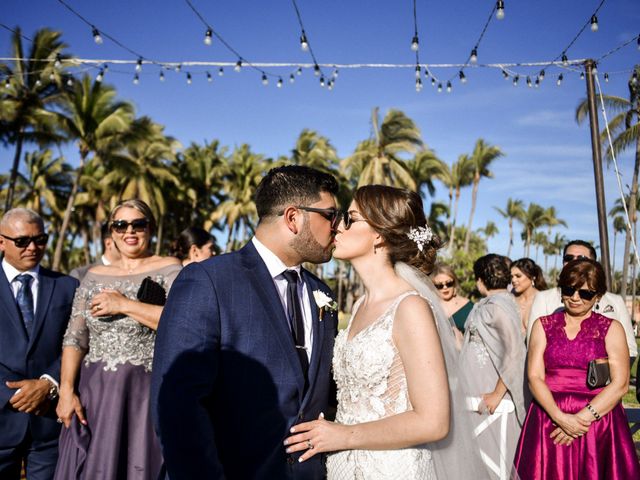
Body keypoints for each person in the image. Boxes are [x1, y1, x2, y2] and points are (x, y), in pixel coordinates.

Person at [284, 185, 488, 479]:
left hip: (392, 467)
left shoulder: (410, 308)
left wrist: (343, 436)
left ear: (378, 234)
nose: (337, 226)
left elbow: (434, 421)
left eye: (350, 219)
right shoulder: (359, 305)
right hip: (343, 465)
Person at [151, 165, 340, 479]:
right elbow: (177, 408)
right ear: (294, 218)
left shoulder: (322, 293)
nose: (338, 227)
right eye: (331, 215)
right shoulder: (208, 281)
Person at [54, 199, 182, 480]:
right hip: (95, 393)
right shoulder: (93, 276)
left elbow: (182, 324)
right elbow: (75, 338)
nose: (130, 231)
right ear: (111, 232)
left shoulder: (170, 269)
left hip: (144, 394)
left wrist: (123, 305)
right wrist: (66, 391)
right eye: (121, 225)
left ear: (151, 228)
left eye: (138, 224)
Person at [514, 259, 640, 479]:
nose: (574, 298)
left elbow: (620, 385)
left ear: (598, 296)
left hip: (597, 424)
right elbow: (534, 377)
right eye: (569, 290)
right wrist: (561, 419)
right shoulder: (542, 325)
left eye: (585, 294)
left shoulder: (612, 328)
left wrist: (580, 420)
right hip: (548, 421)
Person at [0, 208, 79, 480]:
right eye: (22, 241)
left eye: (40, 239)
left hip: (49, 425)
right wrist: (11, 395)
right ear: (2, 242)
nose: (32, 247)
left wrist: (48, 383)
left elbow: (79, 343)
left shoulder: (68, 287)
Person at [458, 254, 527, 479]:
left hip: (491, 391)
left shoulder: (498, 306)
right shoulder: (489, 304)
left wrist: (497, 393)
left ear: (480, 280)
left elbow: (514, 350)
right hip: (474, 389)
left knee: (494, 460)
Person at [527, 240, 637, 366]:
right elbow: (533, 347)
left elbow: (631, 350)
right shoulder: (544, 298)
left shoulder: (615, 301)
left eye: (581, 258)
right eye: (568, 258)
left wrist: (604, 373)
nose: (574, 261)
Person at [431, 264, 473, 333]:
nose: (445, 287)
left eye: (449, 283)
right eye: (439, 285)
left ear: (454, 283)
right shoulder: (430, 306)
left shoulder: (468, 306)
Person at [510, 258, 547, 336]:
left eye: (518, 276)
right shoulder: (509, 299)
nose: (513, 280)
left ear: (532, 277)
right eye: (511, 276)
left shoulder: (543, 300)